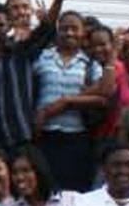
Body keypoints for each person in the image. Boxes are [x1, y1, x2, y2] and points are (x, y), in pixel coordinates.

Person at [0, 0, 72, 158]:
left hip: (19, 137)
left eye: (0, 25)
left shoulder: (22, 51)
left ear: (8, 25)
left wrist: (58, 0)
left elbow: (45, 31)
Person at [32, 11, 107, 192]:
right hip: (44, 136)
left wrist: (67, 102)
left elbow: (102, 98)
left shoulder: (90, 64)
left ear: (83, 33)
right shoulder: (42, 57)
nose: (69, 33)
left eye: (74, 28)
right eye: (64, 28)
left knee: (74, 192)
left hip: (77, 139)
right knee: (45, 189)